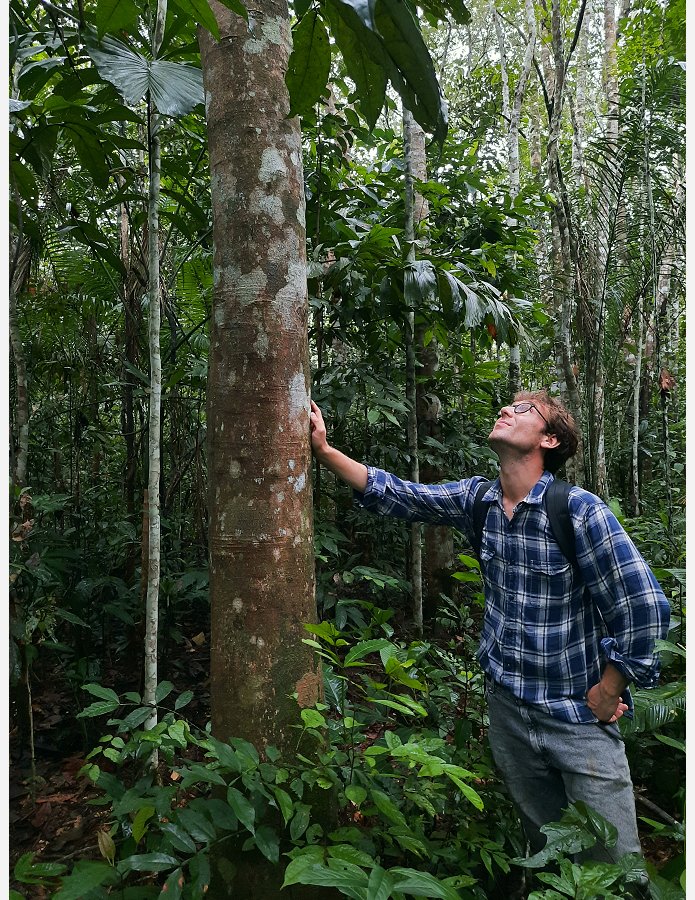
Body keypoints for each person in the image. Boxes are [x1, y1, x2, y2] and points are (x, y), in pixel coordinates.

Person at [309, 391, 670, 862]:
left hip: (577, 718)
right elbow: (401, 495)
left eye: (524, 410)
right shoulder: (478, 500)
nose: (507, 409)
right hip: (508, 714)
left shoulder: (578, 511)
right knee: (547, 856)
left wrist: (610, 687)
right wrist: (324, 451)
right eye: (509, 405)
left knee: (615, 866)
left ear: (549, 438)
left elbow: (644, 606)